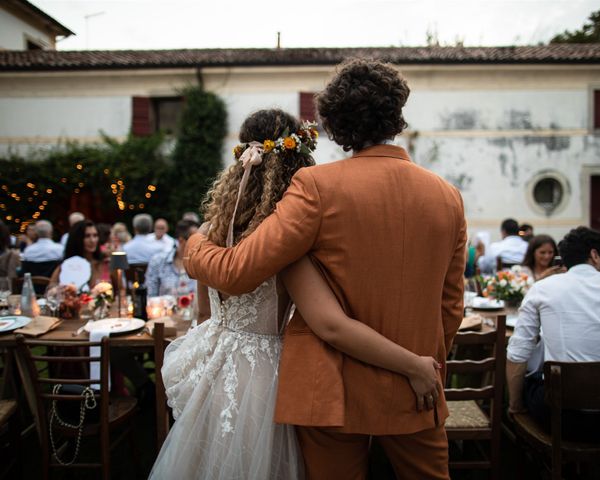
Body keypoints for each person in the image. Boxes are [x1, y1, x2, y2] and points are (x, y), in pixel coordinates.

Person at [181, 59, 466, 479]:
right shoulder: (448, 196)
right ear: (397, 115)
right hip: (415, 383)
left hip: (333, 389)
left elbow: (236, 272)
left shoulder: (316, 188)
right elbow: (451, 306)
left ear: (333, 123)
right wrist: (422, 366)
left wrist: (193, 244)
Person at [506, 227, 600, 435]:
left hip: (557, 417)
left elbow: (517, 353)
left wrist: (515, 406)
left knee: (530, 379)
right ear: (595, 256)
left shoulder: (543, 289)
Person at [49, 220, 110, 289]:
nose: (92, 240)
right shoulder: (66, 266)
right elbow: (50, 291)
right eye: (87, 236)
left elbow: (121, 290)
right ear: (77, 239)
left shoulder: (106, 263)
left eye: (95, 235)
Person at [145, 220, 196, 297]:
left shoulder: (202, 265)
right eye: (196, 241)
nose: (201, 245)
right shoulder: (158, 261)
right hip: (165, 308)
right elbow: (151, 297)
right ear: (181, 240)